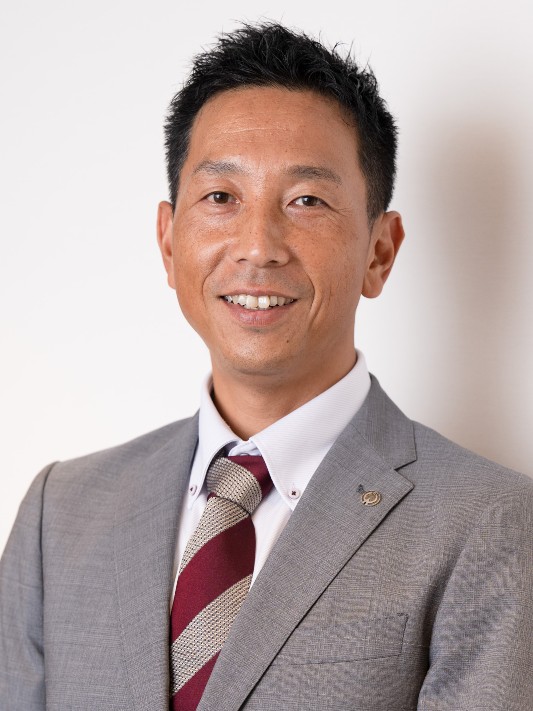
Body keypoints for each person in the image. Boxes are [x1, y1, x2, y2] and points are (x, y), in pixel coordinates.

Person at [1, 21, 532, 711]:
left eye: (306, 200)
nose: (258, 245)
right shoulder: (61, 513)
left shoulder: (488, 522)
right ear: (169, 241)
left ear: (379, 252)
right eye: (220, 197)